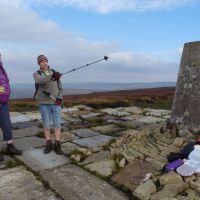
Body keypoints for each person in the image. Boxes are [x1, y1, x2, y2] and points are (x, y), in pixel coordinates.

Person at [33, 55, 64, 154]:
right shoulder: (37, 74)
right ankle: (48, 144)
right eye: (41, 62)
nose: (44, 63)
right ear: (39, 64)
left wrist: (60, 98)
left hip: (56, 103)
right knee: (46, 125)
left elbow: (61, 88)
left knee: (57, 124)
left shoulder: (55, 73)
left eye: (45, 61)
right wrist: (52, 76)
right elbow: (40, 81)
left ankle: (58, 144)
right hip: (44, 104)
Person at [0, 53, 22, 161]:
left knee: (7, 125)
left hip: (3, 103)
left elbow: (6, 82)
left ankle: (10, 147)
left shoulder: (2, 68)